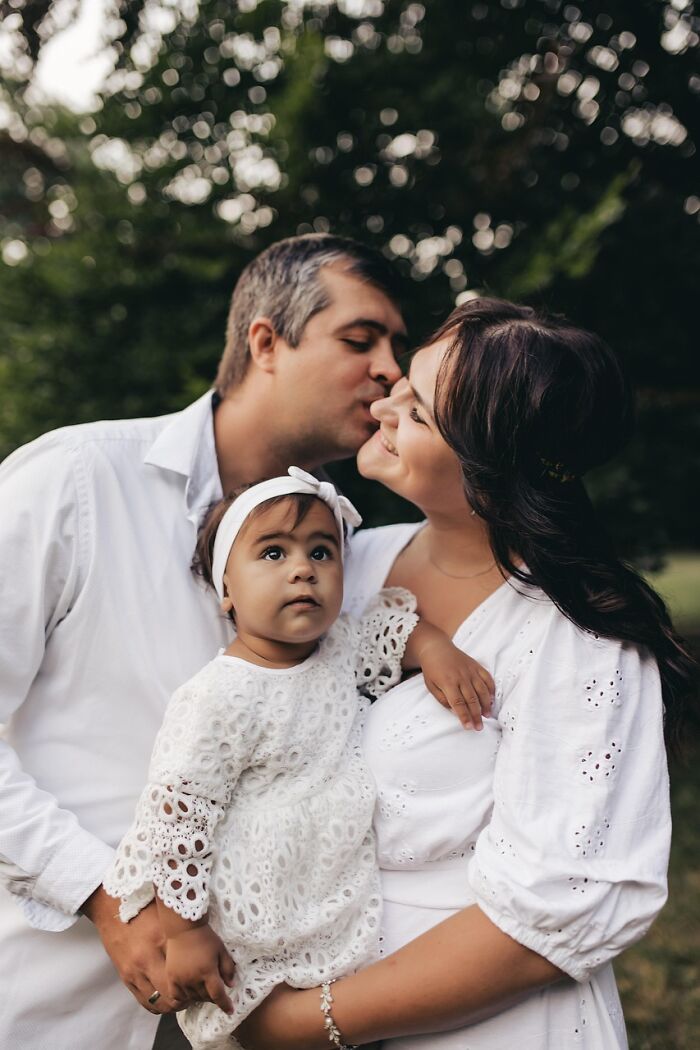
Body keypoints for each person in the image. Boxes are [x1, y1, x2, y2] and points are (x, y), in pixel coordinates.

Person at [234, 298, 696, 1050]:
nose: (382, 404)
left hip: (485, 1026)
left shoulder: (578, 637)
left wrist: (306, 1022)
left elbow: (554, 913)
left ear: (490, 464)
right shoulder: (350, 561)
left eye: (416, 411)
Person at [0, 233, 408, 1050]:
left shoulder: (351, 557)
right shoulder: (77, 482)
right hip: (56, 997)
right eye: (361, 340)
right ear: (265, 341)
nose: (393, 370)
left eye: (397, 348)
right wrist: (104, 894)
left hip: (265, 1015)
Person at [103, 467, 493, 1050]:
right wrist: (183, 930)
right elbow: (180, 815)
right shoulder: (219, 695)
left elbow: (390, 631)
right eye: (273, 553)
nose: (302, 568)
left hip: (315, 898)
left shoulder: (337, 649)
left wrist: (434, 649)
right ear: (226, 589)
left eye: (320, 551)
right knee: (227, 1023)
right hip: (229, 921)